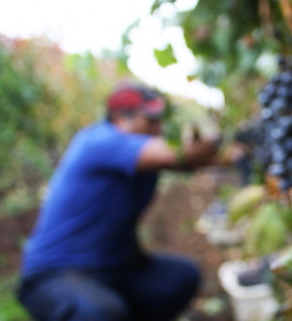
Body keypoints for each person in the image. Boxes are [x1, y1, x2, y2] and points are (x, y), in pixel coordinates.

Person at [17, 82, 229, 321]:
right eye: (151, 120)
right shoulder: (99, 141)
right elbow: (183, 154)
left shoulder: (143, 155)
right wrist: (221, 136)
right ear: (121, 119)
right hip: (56, 274)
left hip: (118, 268)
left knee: (181, 277)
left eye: (159, 120)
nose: (158, 128)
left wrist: (238, 151)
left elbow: (196, 162)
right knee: (99, 313)